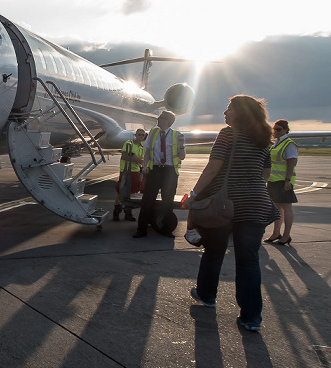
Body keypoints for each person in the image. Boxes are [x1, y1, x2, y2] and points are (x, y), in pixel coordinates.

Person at [184, 95, 280, 332]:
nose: (225, 113)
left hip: (225, 205)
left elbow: (213, 167)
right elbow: (265, 173)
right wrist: (251, 188)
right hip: (257, 204)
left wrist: (194, 194)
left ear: (240, 112)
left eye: (229, 109)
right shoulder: (262, 138)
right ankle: (251, 317)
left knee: (214, 251)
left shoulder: (227, 134)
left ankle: (207, 294)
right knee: (249, 260)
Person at [133, 110, 185, 238]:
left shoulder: (177, 135)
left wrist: (182, 145)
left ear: (167, 121)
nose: (158, 119)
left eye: (161, 118)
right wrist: (145, 166)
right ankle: (141, 230)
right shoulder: (153, 133)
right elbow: (147, 152)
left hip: (169, 172)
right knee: (147, 201)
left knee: (168, 202)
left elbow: (182, 157)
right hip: (155, 170)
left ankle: (166, 230)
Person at [264, 119, 298, 245]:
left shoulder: (289, 144)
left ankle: (286, 235)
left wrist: (288, 180)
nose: (275, 131)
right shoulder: (276, 144)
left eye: (278, 129)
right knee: (277, 208)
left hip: (283, 181)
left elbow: (291, 162)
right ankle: (276, 233)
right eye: (274, 129)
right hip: (273, 180)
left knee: (287, 207)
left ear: (285, 130)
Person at [113, 129, 146, 221]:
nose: (141, 136)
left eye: (143, 135)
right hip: (126, 171)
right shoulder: (128, 143)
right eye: (139, 134)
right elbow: (124, 155)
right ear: (135, 135)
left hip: (135, 171)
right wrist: (138, 160)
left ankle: (128, 213)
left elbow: (140, 158)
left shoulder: (143, 147)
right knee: (120, 190)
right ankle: (116, 212)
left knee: (132, 192)